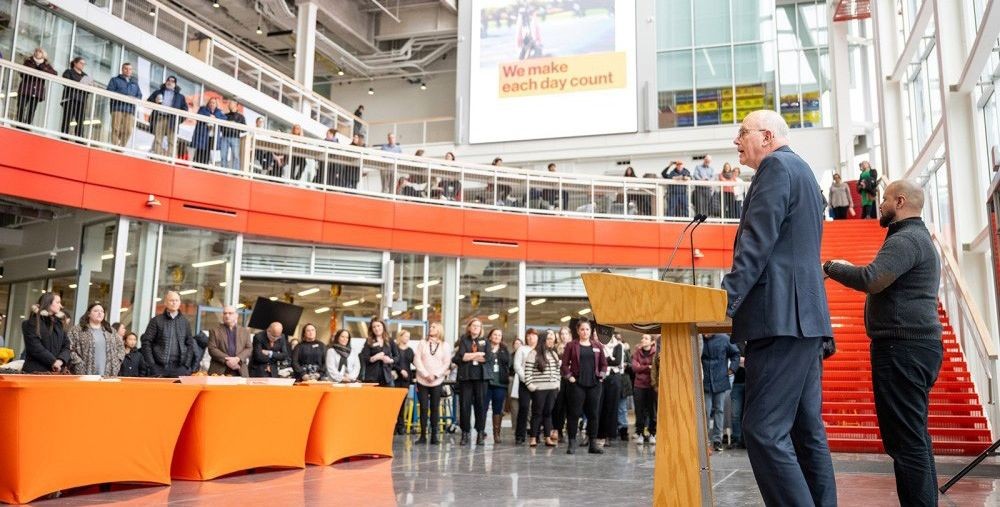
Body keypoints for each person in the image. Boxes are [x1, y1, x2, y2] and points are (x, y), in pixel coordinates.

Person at [722, 110, 836, 506]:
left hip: (779, 318)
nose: (736, 142)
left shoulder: (773, 168)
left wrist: (727, 300)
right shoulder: (803, 171)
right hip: (806, 319)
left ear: (767, 136)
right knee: (806, 433)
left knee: (763, 429)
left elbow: (757, 243)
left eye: (742, 133)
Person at [824, 179, 943, 506]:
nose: (880, 204)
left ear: (900, 202)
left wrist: (831, 267)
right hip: (914, 348)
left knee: (905, 443)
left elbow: (871, 279)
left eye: (886, 199)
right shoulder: (916, 238)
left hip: (902, 350)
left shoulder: (906, 239)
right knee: (914, 439)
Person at [561, 319, 608, 455]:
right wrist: (570, 376)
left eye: (587, 329)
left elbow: (604, 364)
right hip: (577, 385)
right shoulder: (571, 345)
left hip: (594, 385)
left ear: (591, 331)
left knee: (593, 414)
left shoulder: (597, 345)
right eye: (582, 329)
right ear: (578, 331)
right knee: (574, 414)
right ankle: (572, 443)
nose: (585, 332)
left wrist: (602, 375)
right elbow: (564, 365)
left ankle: (592, 444)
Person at [453, 318, 494, 445]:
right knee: (465, 406)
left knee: (481, 406)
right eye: (474, 325)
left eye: (478, 326)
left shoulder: (486, 341)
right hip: (466, 377)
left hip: (481, 378)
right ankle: (465, 433)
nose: (476, 328)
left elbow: (487, 357)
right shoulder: (463, 340)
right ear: (469, 327)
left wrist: (469, 355)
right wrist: (476, 355)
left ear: (481, 329)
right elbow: (461, 356)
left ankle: (480, 433)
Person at [140, 291, 197, 377]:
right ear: (165, 303)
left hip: (180, 368)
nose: (174, 302)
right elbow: (146, 342)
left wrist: (186, 365)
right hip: (159, 368)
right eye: (171, 300)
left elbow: (190, 344)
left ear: (180, 303)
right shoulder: (156, 321)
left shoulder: (185, 322)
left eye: (176, 300)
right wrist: (152, 365)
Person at [414, 322, 451, 445]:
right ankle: (423, 435)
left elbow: (446, 363)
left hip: (437, 380)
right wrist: (425, 374)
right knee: (423, 408)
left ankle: (434, 436)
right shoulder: (422, 343)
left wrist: (435, 375)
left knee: (434, 408)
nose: (431, 328)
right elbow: (417, 359)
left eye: (433, 327)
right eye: (430, 327)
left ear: (439, 330)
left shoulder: (445, 346)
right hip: (422, 380)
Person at [701, 333, 740, 452]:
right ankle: (704, 440)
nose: (706, 334)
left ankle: (717, 440)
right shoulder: (699, 339)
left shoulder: (724, 339)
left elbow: (736, 354)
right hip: (705, 380)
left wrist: (732, 368)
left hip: (720, 379)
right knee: (705, 411)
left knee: (720, 410)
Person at [525, 328, 560, 447]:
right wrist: (531, 386)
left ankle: (547, 437)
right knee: (537, 413)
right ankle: (533, 438)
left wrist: (557, 385)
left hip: (552, 389)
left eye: (553, 339)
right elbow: (528, 372)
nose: (551, 341)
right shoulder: (533, 353)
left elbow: (557, 371)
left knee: (548, 413)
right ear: (543, 339)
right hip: (539, 389)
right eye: (549, 339)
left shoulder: (553, 353)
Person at [68, 303, 125, 376]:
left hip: (108, 374)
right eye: (96, 311)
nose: (100, 313)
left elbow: (121, 348)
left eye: (102, 311)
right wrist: (78, 363)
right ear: (89, 314)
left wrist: (117, 362)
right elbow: (69, 348)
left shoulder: (110, 331)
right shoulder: (77, 330)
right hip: (84, 373)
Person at [22, 292, 71, 374]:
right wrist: (53, 361)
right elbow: (35, 347)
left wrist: (60, 360)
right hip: (35, 372)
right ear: (48, 303)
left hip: (56, 372)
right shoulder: (31, 323)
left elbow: (67, 345)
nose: (61, 306)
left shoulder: (59, 324)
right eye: (58, 302)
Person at [206, 305, 252, 377]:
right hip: (219, 371)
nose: (227, 316)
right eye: (225, 313)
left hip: (239, 370)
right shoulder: (214, 331)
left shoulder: (244, 331)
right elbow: (212, 349)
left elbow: (249, 348)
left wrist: (237, 359)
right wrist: (227, 361)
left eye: (230, 313)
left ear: (236, 315)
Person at [147, 76, 188, 156]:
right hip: (160, 117)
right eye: (168, 80)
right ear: (166, 82)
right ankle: (157, 156)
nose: (170, 82)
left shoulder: (180, 97)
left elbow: (185, 110)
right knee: (158, 139)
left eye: (172, 81)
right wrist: (155, 101)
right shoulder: (158, 92)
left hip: (172, 120)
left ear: (175, 84)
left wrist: (178, 120)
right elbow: (149, 101)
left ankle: (169, 159)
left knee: (172, 141)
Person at [597, 331, 624, 447]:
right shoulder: (599, 345)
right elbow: (599, 361)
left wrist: (605, 360)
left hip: (614, 378)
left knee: (612, 408)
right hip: (602, 378)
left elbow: (617, 361)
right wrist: (608, 360)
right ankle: (598, 434)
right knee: (599, 407)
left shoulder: (618, 345)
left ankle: (609, 435)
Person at [16, 48, 57, 126]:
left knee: (32, 110)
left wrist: (42, 67)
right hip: (26, 88)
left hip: (37, 91)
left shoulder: (46, 65)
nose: (38, 53)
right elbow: (22, 72)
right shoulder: (28, 61)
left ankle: (27, 125)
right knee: (21, 107)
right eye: (36, 51)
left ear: (44, 55)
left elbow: (54, 73)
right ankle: (20, 124)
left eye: (40, 52)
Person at [106, 63, 142, 147]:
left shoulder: (135, 83)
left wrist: (134, 99)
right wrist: (125, 96)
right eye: (126, 69)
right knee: (116, 128)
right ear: (122, 69)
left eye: (130, 69)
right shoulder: (114, 80)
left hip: (130, 110)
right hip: (117, 108)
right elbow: (109, 91)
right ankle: (114, 146)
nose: (128, 71)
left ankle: (120, 147)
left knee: (128, 130)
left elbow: (139, 95)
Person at [512, 328, 538, 445]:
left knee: (538, 409)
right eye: (528, 335)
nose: (530, 337)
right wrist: (527, 379)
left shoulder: (540, 349)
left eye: (533, 335)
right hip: (524, 383)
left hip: (538, 383)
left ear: (537, 337)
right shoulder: (521, 349)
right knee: (524, 407)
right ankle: (520, 435)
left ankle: (535, 434)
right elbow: (517, 366)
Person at [485, 328, 511, 444]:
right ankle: (481, 431)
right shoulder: (484, 347)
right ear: (490, 336)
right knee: (482, 407)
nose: (497, 337)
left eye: (499, 335)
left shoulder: (504, 349)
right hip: (486, 382)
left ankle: (496, 434)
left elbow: (509, 363)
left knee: (498, 409)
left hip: (500, 383)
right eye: (494, 334)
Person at [631, 334, 657, 444]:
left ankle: (652, 433)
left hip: (651, 385)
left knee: (652, 411)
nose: (643, 340)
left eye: (646, 338)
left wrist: (643, 367)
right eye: (642, 338)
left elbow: (655, 368)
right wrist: (648, 367)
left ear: (652, 342)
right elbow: (634, 368)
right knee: (639, 411)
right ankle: (640, 433)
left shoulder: (655, 353)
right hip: (639, 386)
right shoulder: (637, 352)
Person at [359, 317, 398, 386]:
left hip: (387, 378)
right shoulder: (368, 341)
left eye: (378, 326)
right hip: (372, 378)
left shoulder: (390, 340)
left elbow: (397, 357)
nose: (376, 329)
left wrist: (390, 360)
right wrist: (376, 357)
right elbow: (364, 358)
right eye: (374, 327)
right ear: (371, 329)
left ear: (383, 326)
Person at [550, 326, 573, 442]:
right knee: (559, 407)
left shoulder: (574, 346)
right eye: (562, 334)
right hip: (559, 380)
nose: (564, 336)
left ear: (570, 335)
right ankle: (558, 430)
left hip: (571, 380)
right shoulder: (555, 348)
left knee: (571, 407)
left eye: (566, 334)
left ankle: (571, 431)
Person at [60, 57, 89, 137]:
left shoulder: (85, 76)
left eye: (84, 64)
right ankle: (64, 136)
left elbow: (88, 90)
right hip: (70, 99)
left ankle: (79, 138)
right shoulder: (68, 72)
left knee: (80, 121)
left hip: (81, 101)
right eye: (81, 63)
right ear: (75, 63)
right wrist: (80, 85)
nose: (83, 65)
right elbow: (67, 83)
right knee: (67, 119)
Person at [191, 97, 226, 165]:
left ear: (216, 104)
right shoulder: (203, 109)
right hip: (203, 134)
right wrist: (209, 116)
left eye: (214, 103)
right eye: (211, 102)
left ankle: (205, 165)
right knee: (200, 149)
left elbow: (224, 118)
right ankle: (197, 165)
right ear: (208, 103)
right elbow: (199, 114)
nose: (212, 104)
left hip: (212, 135)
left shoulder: (219, 111)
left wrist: (215, 117)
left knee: (208, 150)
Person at [394, 330, 416, 434]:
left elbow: (415, 362)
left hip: (406, 380)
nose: (408, 338)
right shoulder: (395, 348)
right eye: (406, 336)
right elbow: (392, 363)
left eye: (409, 337)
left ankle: (401, 426)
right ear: (400, 337)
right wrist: (400, 370)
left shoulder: (410, 350)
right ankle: (394, 425)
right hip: (396, 378)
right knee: (395, 402)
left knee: (403, 402)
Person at [220, 99, 246, 171]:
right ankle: (223, 170)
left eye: (231, 103)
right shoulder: (225, 115)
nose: (229, 105)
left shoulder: (241, 117)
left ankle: (235, 172)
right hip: (225, 137)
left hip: (235, 138)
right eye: (229, 104)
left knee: (236, 156)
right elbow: (220, 127)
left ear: (236, 105)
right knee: (223, 155)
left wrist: (236, 124)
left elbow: (244, 129)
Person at [729, 346, 747, 449]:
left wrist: (742, 361)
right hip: (737, 383)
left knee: (748, 414)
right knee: (735, 413)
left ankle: (746, 440)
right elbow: (736, 359)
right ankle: (737, 439)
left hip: (753, 383)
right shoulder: (736, 343)